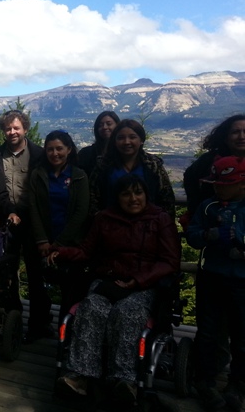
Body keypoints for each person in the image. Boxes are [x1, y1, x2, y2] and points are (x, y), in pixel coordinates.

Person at [50, 174, 180, 403]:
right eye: (126, 194)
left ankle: (124, 379)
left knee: (127, 312)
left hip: (143, 285)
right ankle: (80, 376)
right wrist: (61, 252)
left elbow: (170, 261)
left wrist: (138, 280)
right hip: (108, 281)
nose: (133, 198)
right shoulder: (105, 218)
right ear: (117, 197)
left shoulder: (159, 219)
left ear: (146, 195)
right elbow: (87, 251)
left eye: (138, 192)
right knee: (91, 307)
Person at [187, 156, 245, 412]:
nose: (217, 188)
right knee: (208, 330)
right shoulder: (207, 207)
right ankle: (205, 380)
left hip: (241, 281)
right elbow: (193, 236)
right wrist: (207, 235)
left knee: (241, 334)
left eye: (224, 184)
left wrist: (239, 241)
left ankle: (237, 384)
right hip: (211, 277)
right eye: (216, 183)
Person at [0, 109, 48, 340]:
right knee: (7, 273)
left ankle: (38, 324)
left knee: (36, 274)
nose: (12, 132)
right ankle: (12, 321)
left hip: (33, 223)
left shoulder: (39, 155)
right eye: (8, 128)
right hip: (6, 221)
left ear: (25, 129)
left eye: (16, 128)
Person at [28, 130, 89, 322]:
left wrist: (59, 245)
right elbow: (33, 208)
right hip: (42, 241)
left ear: (69, 149)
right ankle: (39, 325)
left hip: (70, 243)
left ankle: (66, 334)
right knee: (37, 286)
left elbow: (81, 212)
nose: (55, 153)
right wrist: (42, 241)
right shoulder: (38, 174)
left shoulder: (79, 176)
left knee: (70, 291)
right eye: (50, 149)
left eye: (59, 149)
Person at [89, 119, 175, 218]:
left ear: (141, 140)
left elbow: (166, 199)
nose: (126, 142)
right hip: (112, 225)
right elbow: (93, 199)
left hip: (148, 226)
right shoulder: (104, 166)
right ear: (115, 141)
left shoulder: (153, 165)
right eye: (121, 138)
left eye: (132, 137)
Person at [184, 114, 245, 220]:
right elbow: (190, 178)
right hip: (213, 222)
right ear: (225, 138)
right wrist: (197, 208)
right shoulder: (209, 161)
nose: (241, 137)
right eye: (235, 132)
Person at [77, 111, 120, 177]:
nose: (104, 127)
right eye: (100, 125)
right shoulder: (86, 154)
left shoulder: (123, 153)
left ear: (118, 126)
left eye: (109, 124)